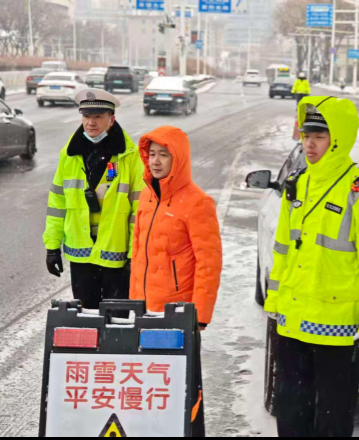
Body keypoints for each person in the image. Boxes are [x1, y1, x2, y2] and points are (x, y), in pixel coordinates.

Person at [264, 96, 359, 437]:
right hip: (292, 321)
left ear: (338, 138)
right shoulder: (298, 184)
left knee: (333, 412)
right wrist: (274, 302)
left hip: (336, 327)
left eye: (319, 136)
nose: (309, 144)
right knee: (291, 407)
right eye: (306, 135)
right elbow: (282, 251)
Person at [130, 126, 223, 437]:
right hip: (143, 310)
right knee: (144, 386)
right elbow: (138, 254)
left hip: (177, 315)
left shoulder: (198, 203)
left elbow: (209, 263)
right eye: (152, 154)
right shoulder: (147, 195)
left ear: (178, 159)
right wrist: (132, 305)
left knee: (179, 390)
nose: (155, 161)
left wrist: (200, 316)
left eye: (164, 155)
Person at [43, 89, 145, 309]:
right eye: (86, 116)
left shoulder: (129, 157)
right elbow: (57, 205)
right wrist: (52, 247)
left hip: (116, 252)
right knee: (86, 319)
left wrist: (134, 254)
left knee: (116, 320)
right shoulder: (69, 155)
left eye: (98, 116)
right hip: (81, 252)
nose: (91, 123)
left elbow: (139, 211)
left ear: (111, 119)